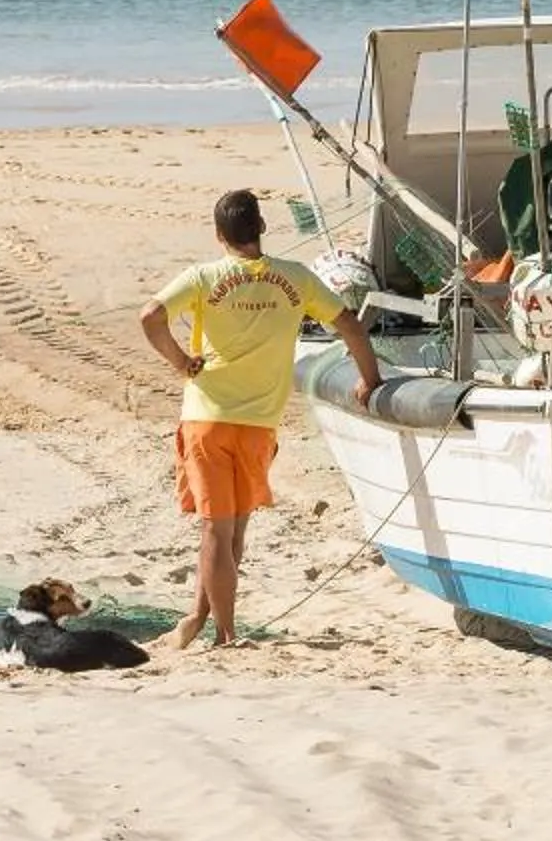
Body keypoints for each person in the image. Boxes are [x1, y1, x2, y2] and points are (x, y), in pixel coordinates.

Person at [139, 189, 383, 650]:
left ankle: (224, 633)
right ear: (263, 228)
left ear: (219, 235)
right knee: (232, 530)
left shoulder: (204, 276)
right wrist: (370, 380)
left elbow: (151, 316)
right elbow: (349, 325)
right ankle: (200, 619)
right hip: (258, 424)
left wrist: (181, 362)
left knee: (216, 528)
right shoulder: (296, 277)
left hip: (207, 417)